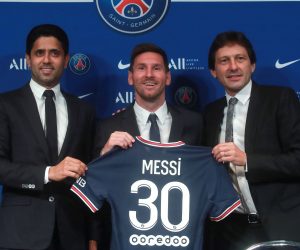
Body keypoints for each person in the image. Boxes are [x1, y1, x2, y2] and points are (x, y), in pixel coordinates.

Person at [90, 43, 203, 249]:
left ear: (167, 77)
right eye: (141, 68)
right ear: (130, 77)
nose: (149, 74)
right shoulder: (108, 127)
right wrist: (104, 155)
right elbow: (94, 188)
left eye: (156, 68)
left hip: (181, 239)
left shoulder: (195, 123)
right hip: (126, 239)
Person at [0, 24, 95, 250]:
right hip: (20, 235)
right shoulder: (5, 105)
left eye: (54, 53)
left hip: (72, 233)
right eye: (39, 53)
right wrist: (48, 173)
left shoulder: (84, 111)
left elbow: (92, 177)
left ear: (65, 59)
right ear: (27, 59)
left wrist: (94, 237)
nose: (46, 60)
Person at [203, 31, 300, 250]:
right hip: (232, 231)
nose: (233, 67)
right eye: (224, 61)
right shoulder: (209, 113)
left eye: (240, 58)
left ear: (252, 65)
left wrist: (247, 160)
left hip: (284, 224)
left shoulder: (280, 99)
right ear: (213, 71)